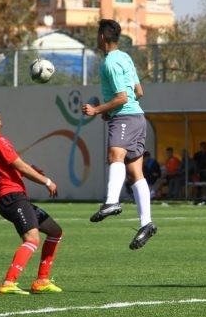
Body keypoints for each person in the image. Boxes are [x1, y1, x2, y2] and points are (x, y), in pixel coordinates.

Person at [0, 100, 63, 295]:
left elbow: (9, 169)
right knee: (32, 239)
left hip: (11, 198)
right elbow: (21, 167)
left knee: (55, 231)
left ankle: (42, 280)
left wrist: (29, 171)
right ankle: (8, 282)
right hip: (13, 198)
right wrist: (47, 181)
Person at [82, 18, 157, 250]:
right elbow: (139, 91)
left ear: (102, 37)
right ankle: (146, 223)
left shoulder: (110, 63)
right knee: (135, 173)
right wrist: (110, 111)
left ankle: (112, 201)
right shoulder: (125, 57)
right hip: (137, 118)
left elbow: (122, 97)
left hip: (125, 117)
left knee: (115, 156)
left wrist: (97, 110)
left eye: (97, 34)